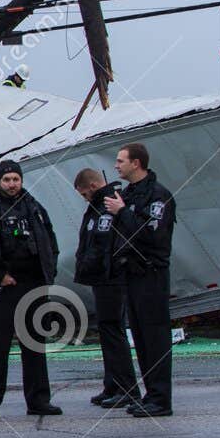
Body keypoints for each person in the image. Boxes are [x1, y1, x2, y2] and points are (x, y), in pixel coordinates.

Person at [0, 159, 62, 419]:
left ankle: (39, 400)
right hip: (1, 287)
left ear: (21, 180)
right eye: (7, 180)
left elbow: (50, 241)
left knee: (35, 343)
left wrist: (48, 273)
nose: (11, 184)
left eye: (15, 179)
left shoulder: (33, 207)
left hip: (33, 285)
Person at [105, 142, 177, 417]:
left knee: (155, 337)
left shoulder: (158, 196)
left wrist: (123, 213)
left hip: (152, 274)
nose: (116, 165)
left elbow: (151, 235)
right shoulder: (131, 194)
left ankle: (161, 398)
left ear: (136, 163)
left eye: (121, 161)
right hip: (131, 274)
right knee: (141, 338)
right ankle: (150, 394)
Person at [72, 168, 139, 408]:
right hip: (102, 278)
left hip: (111, 277)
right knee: (108, 332)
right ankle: (112, 384)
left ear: (91, 187)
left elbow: (107, 242)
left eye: (83, 194)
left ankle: (126, 388)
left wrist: (94, 267)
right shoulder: (98, 206)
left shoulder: (109, 204)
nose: (84, 199)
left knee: (114, 332)